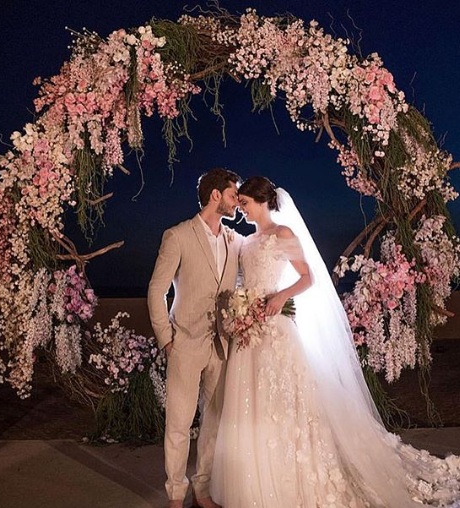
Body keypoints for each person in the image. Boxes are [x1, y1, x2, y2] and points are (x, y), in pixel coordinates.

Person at [211, 176, 460, 507]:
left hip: (276, 327)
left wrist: (279, 296)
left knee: (284, 403)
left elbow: (308, 276)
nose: (241, 209)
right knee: (251, 405)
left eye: (244, 203)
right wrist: (243, 309)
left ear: (260, 202)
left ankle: (291, 473)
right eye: (239, 203)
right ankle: (254, 477)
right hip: (250, 331)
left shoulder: (283, 234)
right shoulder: (245, 242)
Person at [148, 168, 243, 508]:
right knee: (179, 423)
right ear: (215, 195)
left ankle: (202, 489)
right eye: (233, 194)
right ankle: (176, 493)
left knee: (214, 421)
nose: (237, 201)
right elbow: (156, 291)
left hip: (222, 345)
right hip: (185, 343)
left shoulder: (235, 240)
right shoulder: (178, 236)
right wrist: (167, 339)